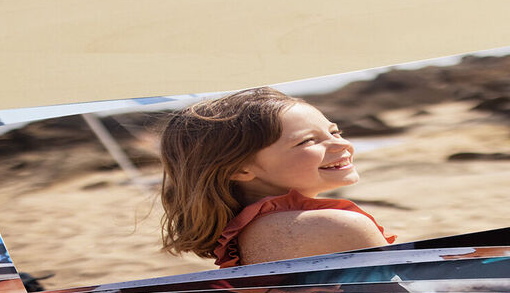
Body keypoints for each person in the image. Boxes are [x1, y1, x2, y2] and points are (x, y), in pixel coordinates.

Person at [158, 87, 396, 269]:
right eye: (307, 140)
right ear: (240, 170)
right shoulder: (337, 226)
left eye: (334, 131)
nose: (342, 143)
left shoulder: (246, 233)